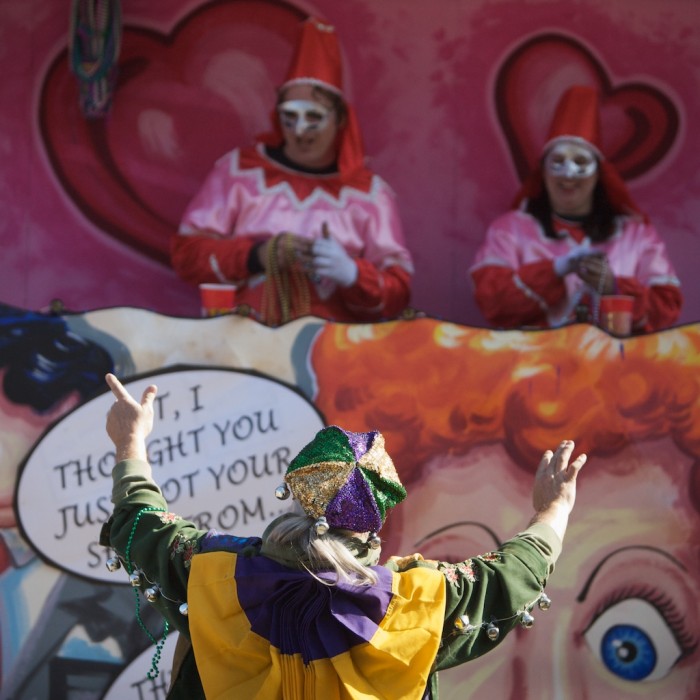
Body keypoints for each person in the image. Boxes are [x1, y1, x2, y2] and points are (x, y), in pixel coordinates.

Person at [100, 372, 585, 699]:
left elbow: (142, 521)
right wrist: (554, 508)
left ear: (294, 494)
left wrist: (131, 442)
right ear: (377, 522)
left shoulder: (212, 574)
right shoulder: (419, 602)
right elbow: (513, 573)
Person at [307, 319, 700, 696]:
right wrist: (554, 511)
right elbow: (501, 581)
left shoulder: (243, 581)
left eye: (630, 644)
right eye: (454, 562)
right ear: (375, 524)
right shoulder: (392, 606)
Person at [171, 17, 413, 326]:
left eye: (314, 117)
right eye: (289, 117)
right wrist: (259, 255)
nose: (300, 131)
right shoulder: (239, 172)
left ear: (339, 120)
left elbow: (398, 293)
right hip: (242, 347)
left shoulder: (370, 194)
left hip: (331, 355)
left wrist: (351, 273)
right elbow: (187, 256)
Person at [469, 85, 682, 332]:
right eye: (557, 162)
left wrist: (611, 287)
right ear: (543, 171)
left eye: (581, 163)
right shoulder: (509, 229)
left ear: (598, 174)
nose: (568, 174)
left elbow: (667, 306)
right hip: (532, 366)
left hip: (615, 368)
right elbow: (492, 302)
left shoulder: (636, 235)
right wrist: (557, 269)